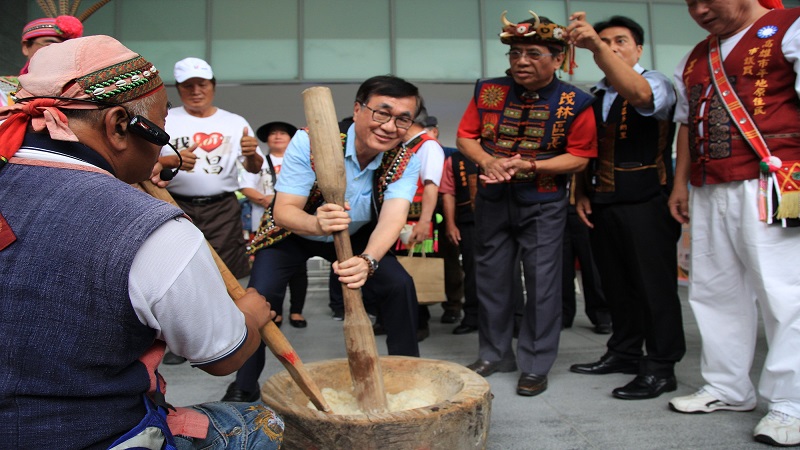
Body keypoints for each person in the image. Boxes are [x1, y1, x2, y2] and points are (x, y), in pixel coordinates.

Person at [0, 35, 282, 449]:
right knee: (261, 422)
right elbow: (226, 358)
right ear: (118, 126)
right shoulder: (154, 230)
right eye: (161, 127)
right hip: (94, 434)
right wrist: (250, 319)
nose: (162, 143)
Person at [224, 75, 423, 403]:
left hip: (355, 237)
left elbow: (393, 217)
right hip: (293, 232)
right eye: (381, 113)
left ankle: (409, 377)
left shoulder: (405, 160)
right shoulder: (311, 140)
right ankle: (244, 385)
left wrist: (369, 260)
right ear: (358, 110)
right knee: (260, 298)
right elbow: (285, 209)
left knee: (398, 285)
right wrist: (317, 224)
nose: (390, 126)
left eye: (403, 119)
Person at [666, 0, 800, 446]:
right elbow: (686, 124)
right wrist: (680, 183)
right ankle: (727, 386)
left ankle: (791, 402)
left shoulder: (790, 26)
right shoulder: (697, 54)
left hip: (775, 181)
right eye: (691, 3)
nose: (701, 10)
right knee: (714, 291)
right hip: (709, 184)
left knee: (784, 292)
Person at [456, 10, 597, 397]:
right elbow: (466, 136)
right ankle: (495, 353)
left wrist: (532, 165)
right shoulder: (488, 90)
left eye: (533, 53)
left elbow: (581, 156)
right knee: (490, 279)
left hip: (544, 202)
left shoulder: (576, 100)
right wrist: (487, 160)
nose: (521, 61)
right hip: (492, 198)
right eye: (516, 53)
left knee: (543, 283)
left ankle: (535, 364)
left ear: (557, 58)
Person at [566, 13, 684, 400]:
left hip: (648, 200)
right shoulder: (594, 95)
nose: (613, 47)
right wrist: (582, 192)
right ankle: (624, 352)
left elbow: (641, 99)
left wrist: (597, 48)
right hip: (603, 202)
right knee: (615, 284)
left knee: (654, 287)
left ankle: (661, 365)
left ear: (638, 48)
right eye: (605, 42)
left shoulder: (655, 82)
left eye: (620, 41)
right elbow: (587, 150)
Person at [158, 57, 263, 365]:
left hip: (223, 206)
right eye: (188, 86)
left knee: (225, 273)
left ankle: (227, 336)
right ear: (178, 89)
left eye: (201, 84)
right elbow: (149, 164)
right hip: (173, 204)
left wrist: (252, 154)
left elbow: (254, 167)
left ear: (213, 86)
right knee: (178, 273)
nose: (195, 91)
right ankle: (179, 343)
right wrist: (170, 163)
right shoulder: (167, 119)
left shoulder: (233, 121)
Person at [240, 121, 309, 329]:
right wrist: (265, 200)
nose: (277, 137)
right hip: (265, 223)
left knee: (299, 269)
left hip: (295, 222)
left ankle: (297, 311)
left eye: (283, 133)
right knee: (269, 269)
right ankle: (275, 311)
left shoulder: (302, 159)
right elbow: (245, 186)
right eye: (273, 134)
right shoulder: (258, 161)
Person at [560, 182, 611, 334]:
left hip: (586, 207)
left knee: (592, 265)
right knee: (561, 267)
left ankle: (602, 314)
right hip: (558, 208)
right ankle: (563, 314)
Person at [440, 151, 480, 335]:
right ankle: (472, 316)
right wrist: (450, 224)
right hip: (468, 221)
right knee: (471, 271)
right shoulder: (455, 160)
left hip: (502, 220)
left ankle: (514, 318)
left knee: (506, 271)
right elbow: (448, 193)